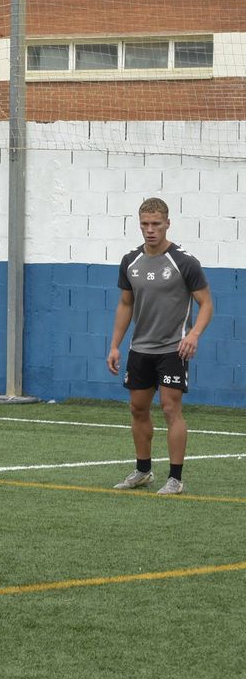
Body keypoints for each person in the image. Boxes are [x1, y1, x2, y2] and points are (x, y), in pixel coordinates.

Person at [106, 197, 213, 494]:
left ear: (168, 223)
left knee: (170, 409)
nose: (150, 230)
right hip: (140, 349)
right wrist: (115, 345)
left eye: (156, 224)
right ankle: (143, 471)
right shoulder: (130, 262)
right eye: (144, 224)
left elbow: (206, 304)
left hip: (173, 349)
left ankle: (175, 479)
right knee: (137, 408)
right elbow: (125, 304)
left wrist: (193, 335)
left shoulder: (184, 262)